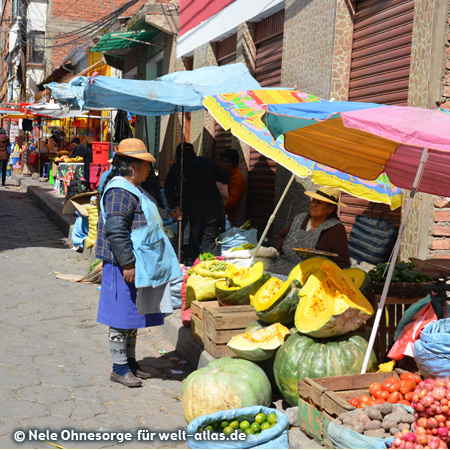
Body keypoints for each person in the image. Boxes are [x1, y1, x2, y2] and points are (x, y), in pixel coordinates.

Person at [95, 138, 181, 388]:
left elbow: (140, 218)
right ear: (133, 166)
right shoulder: (119, 191)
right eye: (146, 166)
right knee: (122, 316)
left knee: (133, 316)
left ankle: (130, 363)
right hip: (125, 265)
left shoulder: (133, 188)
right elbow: (116, 229)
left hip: (139, 265)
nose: (149, 171)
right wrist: (127, 263)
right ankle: (119, 368)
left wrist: (169, 216)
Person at [164, 143, 231, 265]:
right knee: (209, 242)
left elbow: (168, 188)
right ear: (194, 153)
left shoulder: (177, 167)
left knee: (190, 244)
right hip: (212, 209)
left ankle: (190, 272)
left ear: (178, 156)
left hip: (191, 211)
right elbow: (226, 177)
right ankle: (216, 269)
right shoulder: (207, 162)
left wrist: (175, 205)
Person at [271, 186, 350, 276]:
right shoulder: (299, 219)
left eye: (319, 202)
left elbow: (342, 264)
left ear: (330, 209)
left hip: (309, 276)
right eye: (313, 200)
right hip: (280, 267)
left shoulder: (336, 229)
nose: (313, 204)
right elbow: (281, 236)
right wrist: (284, 250)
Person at [220, 149, 246, 223]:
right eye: (223, 162)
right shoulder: (223, 175)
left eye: (227, 162)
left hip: (226, 218)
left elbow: (231, 202)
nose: (224, 165)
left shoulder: (238, 179)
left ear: (234, 164)